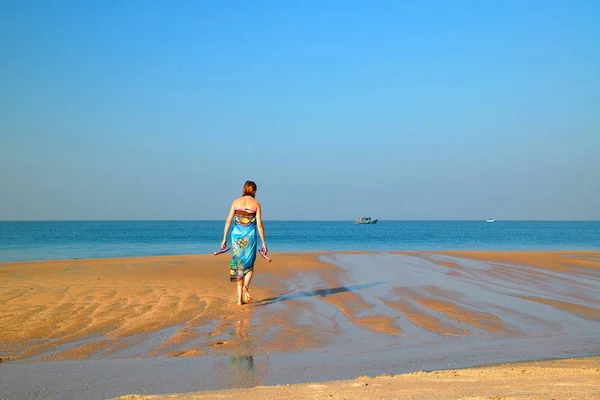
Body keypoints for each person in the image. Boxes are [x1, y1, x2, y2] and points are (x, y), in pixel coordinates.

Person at [221, 181, 267, 305]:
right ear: (254, 191)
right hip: (250, 238)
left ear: (244, 189)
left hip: (236, 237)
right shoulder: (256, 204)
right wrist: (263, 242)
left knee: (238, 264)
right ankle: (245, 287)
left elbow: (228, 220)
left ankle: (239, 300)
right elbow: (259, 225)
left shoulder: (236, 202)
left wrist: (224, 238)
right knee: (250, 264)